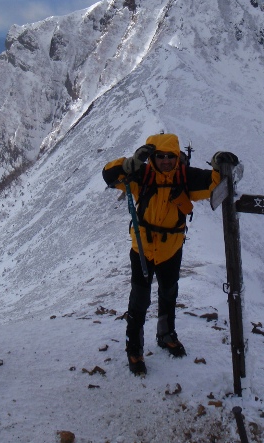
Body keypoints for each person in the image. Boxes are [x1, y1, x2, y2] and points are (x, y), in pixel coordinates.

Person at [102, 132, 239, 375]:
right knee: (139, 299)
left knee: (168, 294)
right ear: (152, 157)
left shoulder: (185, 177)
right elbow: (109, 175)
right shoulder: (141, 175)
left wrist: (219, 162)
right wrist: (131, 163)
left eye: (170, 156)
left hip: (170, 249)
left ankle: (166, 334)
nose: (166, 161)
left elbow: (215, 183)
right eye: (160, 156)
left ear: (178, 156)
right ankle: (134, 348)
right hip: (142, 249)